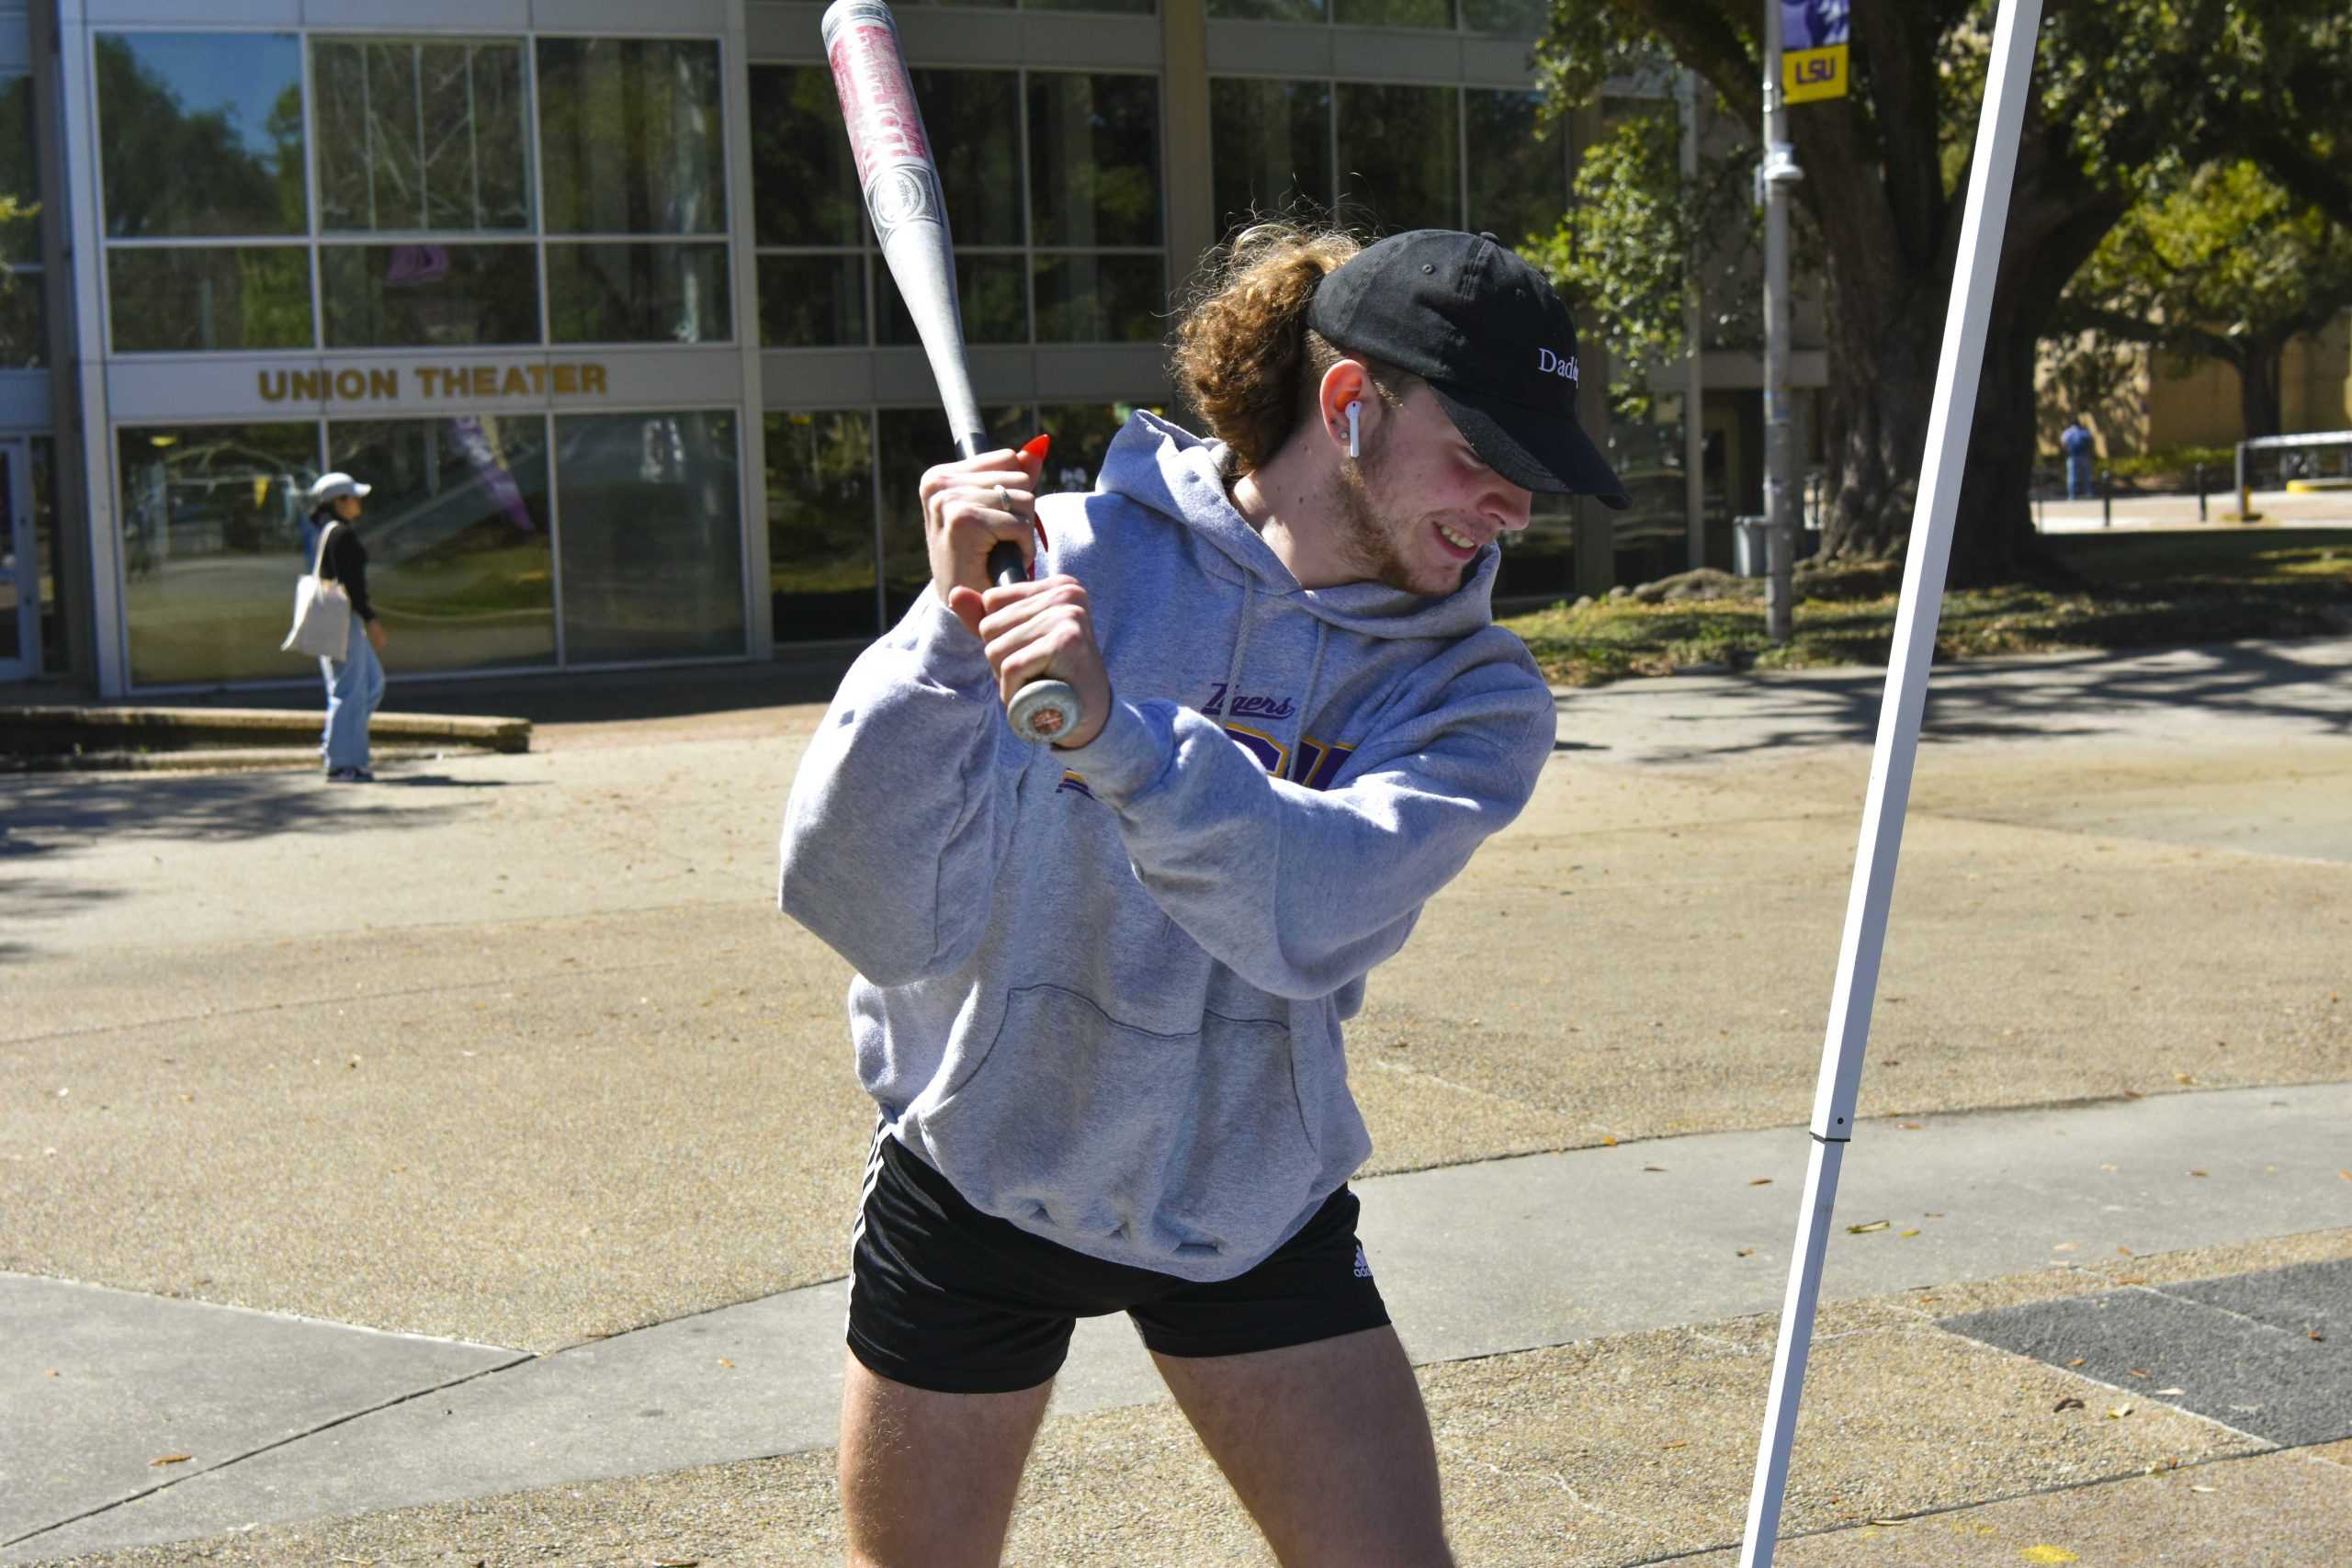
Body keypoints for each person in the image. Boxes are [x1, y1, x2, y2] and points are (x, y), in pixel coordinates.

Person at [778, 224, 1628, 1568]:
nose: (1517, 509)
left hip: (1251, 1200)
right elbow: (853, 897)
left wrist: (1119, 732)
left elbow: (1306, 911)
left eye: (1539, 473)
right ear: (1351, 406)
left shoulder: (1475, 696)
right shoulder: (1057, 563)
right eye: (1488, 459)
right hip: (976, 1177)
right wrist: (946, 643)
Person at [300, 471, 387, 783]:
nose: (359, 502)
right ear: (339, 501)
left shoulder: (327, 531)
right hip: (344, 619)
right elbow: (353, 584)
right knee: (348, 690)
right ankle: (342, 762)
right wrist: (370, 619)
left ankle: (336, 746)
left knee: (370, 684)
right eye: (353, 497)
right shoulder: (340, 535)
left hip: (340, 618)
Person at [2061, 415, 2097, 501]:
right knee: (2086, 475)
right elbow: (2090, 441)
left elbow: (2063, 443)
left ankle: (2072, 495)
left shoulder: (2068, 432)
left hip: (2072, 456)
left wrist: (2067, 451)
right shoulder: (2083, 432)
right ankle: (2089, 492)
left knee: (2071, 476)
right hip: (2084, 456)